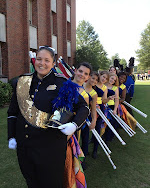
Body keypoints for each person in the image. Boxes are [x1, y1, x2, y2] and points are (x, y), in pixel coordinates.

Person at [7, 46, 89, 188]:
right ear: (34, 60)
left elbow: (83, 107)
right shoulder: (22, 82)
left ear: (53, 63)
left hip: (50, 148)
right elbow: (13, 112)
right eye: (39, 59)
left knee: (50, 184)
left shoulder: (62, 83)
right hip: (25, 146)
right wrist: (11, 136)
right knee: (31, 182)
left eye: (47, 60)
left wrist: (74, 125)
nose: (42, 63)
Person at [92, 70, 109, 159]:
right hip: (91, 107)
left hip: (100, 109)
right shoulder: (93, 83)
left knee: (97, 128)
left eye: (106, 78)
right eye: (103, 77)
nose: (104, 79)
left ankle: (95, 150)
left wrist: (109, 98)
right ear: (100, 75)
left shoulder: (104, 88)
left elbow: (104, 100)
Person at [104, 72, 119, 142]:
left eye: (114, 80)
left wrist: (115, 110)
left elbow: (116, 100)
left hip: (111, 107)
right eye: (112, 78)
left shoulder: (115, 88)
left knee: (112, 123)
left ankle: (108, 138)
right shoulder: (103, 85)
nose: (112, 80)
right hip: (103, 105)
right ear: (109, 77)